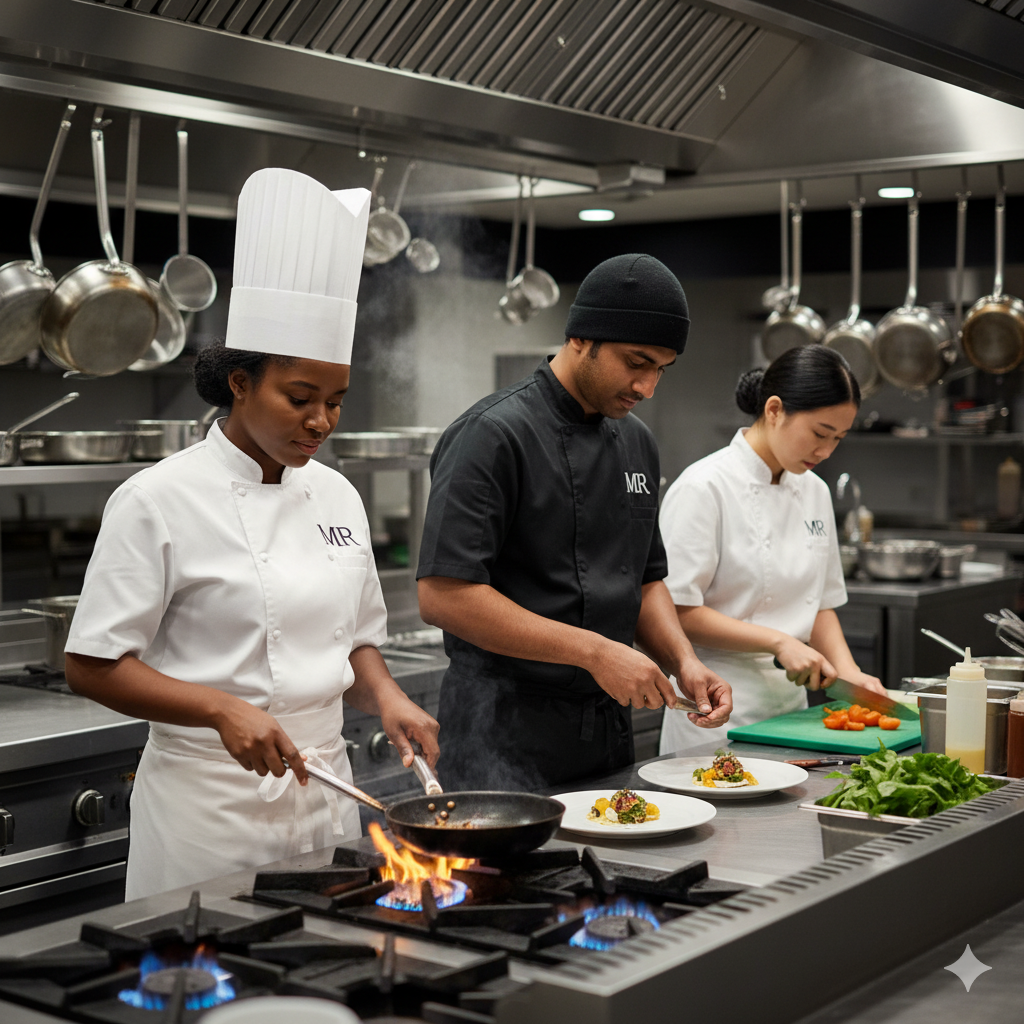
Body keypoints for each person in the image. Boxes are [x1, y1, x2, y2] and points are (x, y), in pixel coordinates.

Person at [64, 168, 439, 899]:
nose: (321, 421)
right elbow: (91, 664)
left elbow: (356, 640)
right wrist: (219, 708)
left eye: (336, 401)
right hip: (209, 808)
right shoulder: (156, 499)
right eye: (300, 398)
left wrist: (387, 697)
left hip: (326, 792)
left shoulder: (336, 494)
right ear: (240, 383)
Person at [416, 254, 732, 791]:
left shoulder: (636, 441)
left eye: (661, 368)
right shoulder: (492, 434)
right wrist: (596, 652)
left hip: (606, 729)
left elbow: (645, 579)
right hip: (501, 728)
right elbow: (444, 596)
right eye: (637, 362)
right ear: (581, 338)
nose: (648, 387)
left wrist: (683, 661)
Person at [658, 345, 885, 756]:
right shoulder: (703, 487)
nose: (826, 451)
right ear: (775, 410)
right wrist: (779, 642)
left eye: (838, 438)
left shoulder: (814, 491)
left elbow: (820, 604)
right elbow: (677, 611)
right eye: (820, 433)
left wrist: (850, 673)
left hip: (791, 711)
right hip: (715, 708)